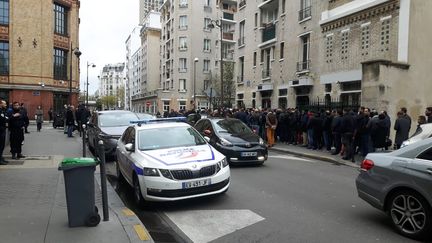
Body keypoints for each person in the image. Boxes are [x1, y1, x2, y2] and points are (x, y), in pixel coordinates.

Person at [0, 98, 8, 164]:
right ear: (0, 104)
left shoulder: (3, 111)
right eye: (4, 104)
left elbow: (5, 118)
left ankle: (1, 157)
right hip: (0, 130)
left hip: (3, 130)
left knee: (2, 145)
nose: (5, 105)